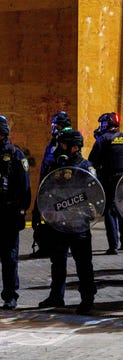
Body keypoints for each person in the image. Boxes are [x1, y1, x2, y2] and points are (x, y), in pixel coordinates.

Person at [38, 130, 98, 314]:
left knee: (83, 263)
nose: (59, 149)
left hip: (78, 222)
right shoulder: (55, 166)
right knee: (57, 261)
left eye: (63, 145)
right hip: (59, 222)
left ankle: (87, 299)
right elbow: (46, 189)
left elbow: (96, 195)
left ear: (74, 147)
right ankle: (56, 296)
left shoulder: (85, 167)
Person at [89, 112, 123, 254]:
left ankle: (113, 245)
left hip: (108, 179)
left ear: (106, 123)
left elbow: (92, 161)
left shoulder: (103, 140)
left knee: (109, 211)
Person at [31, 111, 72, 258]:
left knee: (56, 219)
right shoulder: (55, 140)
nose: (53, 127)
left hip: (56, 187)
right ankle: (47, 247)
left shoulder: (65, 139)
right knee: (45, 218)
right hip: (48, 184)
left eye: (55, 125)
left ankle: (57, 248)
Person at [0, 115, 31, 310]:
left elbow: (24, 187)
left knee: (9, 258)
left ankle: (10, 296)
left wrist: (21, 211)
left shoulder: (16, 155)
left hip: (8, 214)